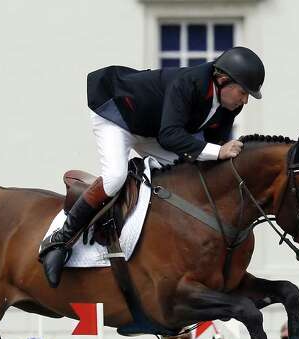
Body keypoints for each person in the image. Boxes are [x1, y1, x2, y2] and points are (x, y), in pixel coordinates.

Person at [39, 46, 266, 287]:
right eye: (243, 92)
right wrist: (218, 151)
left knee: (188, 174)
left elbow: (213, 144)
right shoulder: (188, 83)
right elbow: (172, 137)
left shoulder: (230, 104)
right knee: (116, 177)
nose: (245, 100)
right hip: (119, 118)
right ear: (222, 80)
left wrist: (221, 156)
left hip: (152, 131)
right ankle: (60, 241)